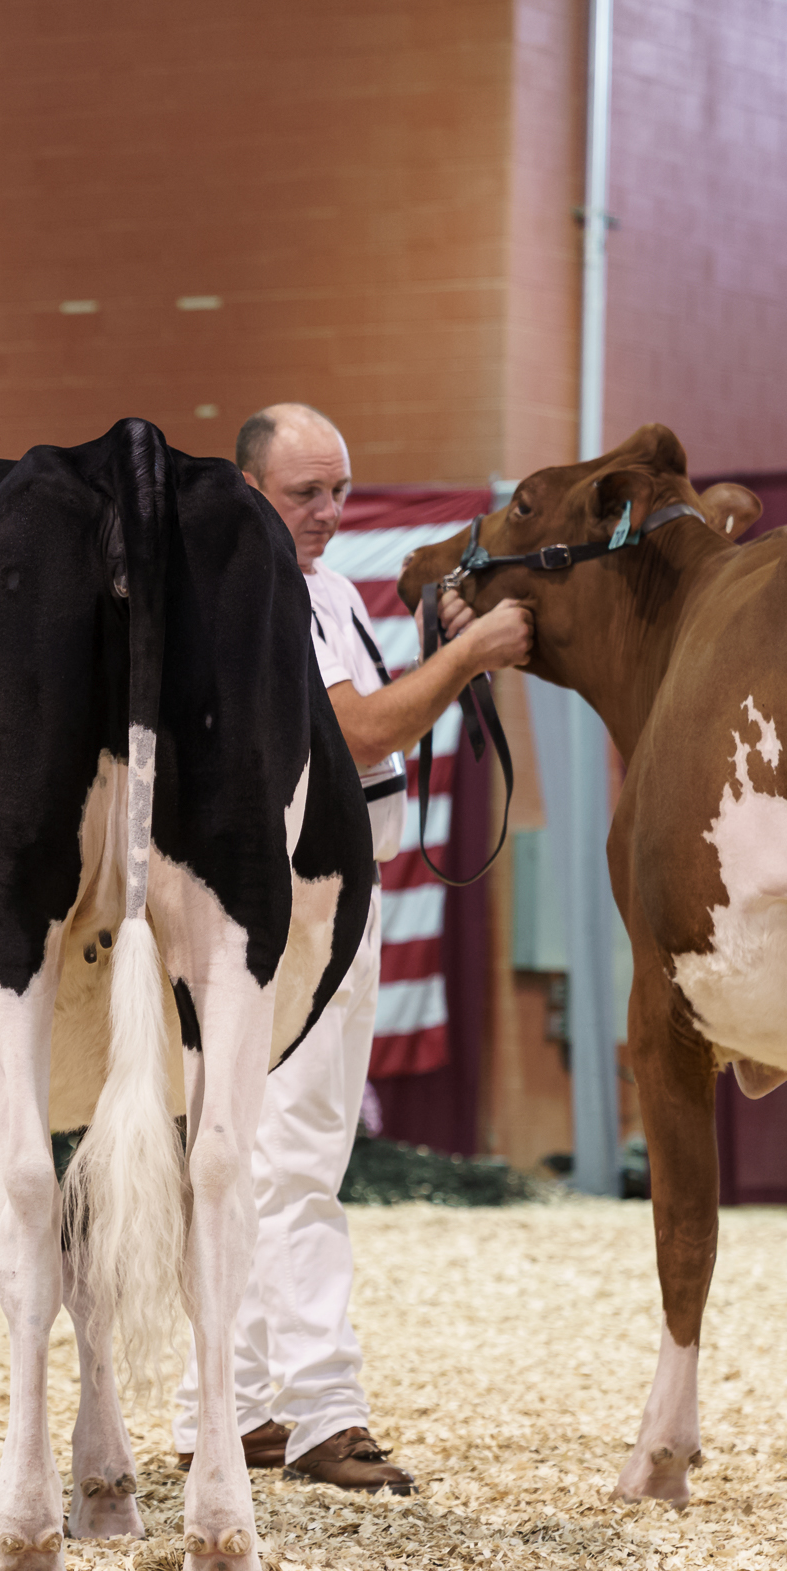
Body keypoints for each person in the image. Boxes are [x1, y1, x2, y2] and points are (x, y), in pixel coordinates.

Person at [170, 403, 534, 1493]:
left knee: (260, 1144)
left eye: (339, 490)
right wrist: (468, 654)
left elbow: (365, 713)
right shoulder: (264, 588)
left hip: (330, 882)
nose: (329, 512)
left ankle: (230, 1405)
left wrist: (437, 651)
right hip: (293, 894)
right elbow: (361, 732)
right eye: (305, 494)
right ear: (248, 491)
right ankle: (324, 1410)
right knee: (299, 1148)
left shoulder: (319, 586)